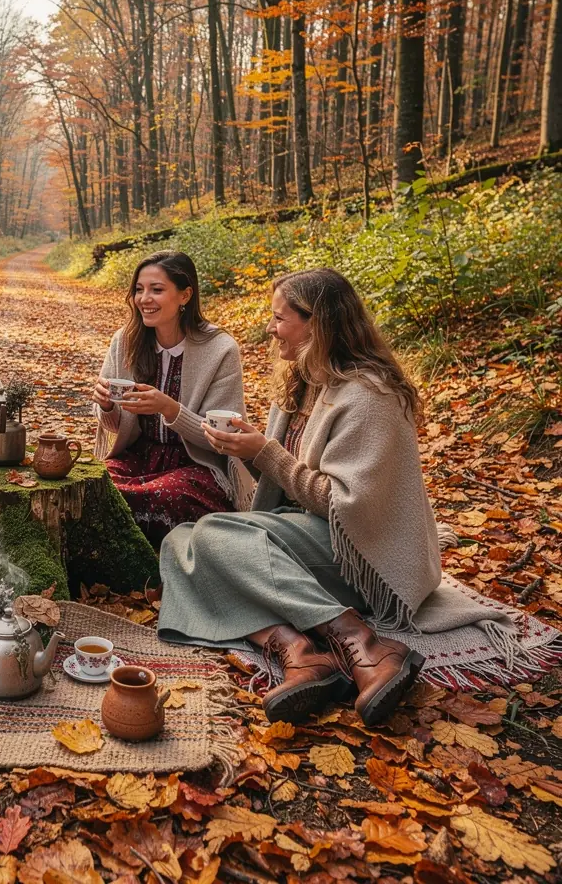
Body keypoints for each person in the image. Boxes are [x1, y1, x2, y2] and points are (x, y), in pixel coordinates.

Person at [158, 268, 550, 727]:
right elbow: (280, 485)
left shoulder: (369, 394)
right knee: (179, 542)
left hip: (361, 553)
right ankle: (298, 651)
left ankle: (363, 643)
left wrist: (265, 452)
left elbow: (345, 506)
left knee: (210, 539)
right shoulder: (301, 383)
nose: (270, 328)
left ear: (317, 324)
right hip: (304, 537)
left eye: (280, 318)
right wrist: (243, 450)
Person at [92, 251, 252, 547]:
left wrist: (171, 409)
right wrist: (104, 405)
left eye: (156, 289)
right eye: (139, 290)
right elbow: (113, 425)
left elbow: (223, 437)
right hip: (138, 455)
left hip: (196, 463)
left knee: (167, 496)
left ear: (185, 295)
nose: (144, 299)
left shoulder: (220, 349)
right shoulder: (125, 340)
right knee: (98, 485)